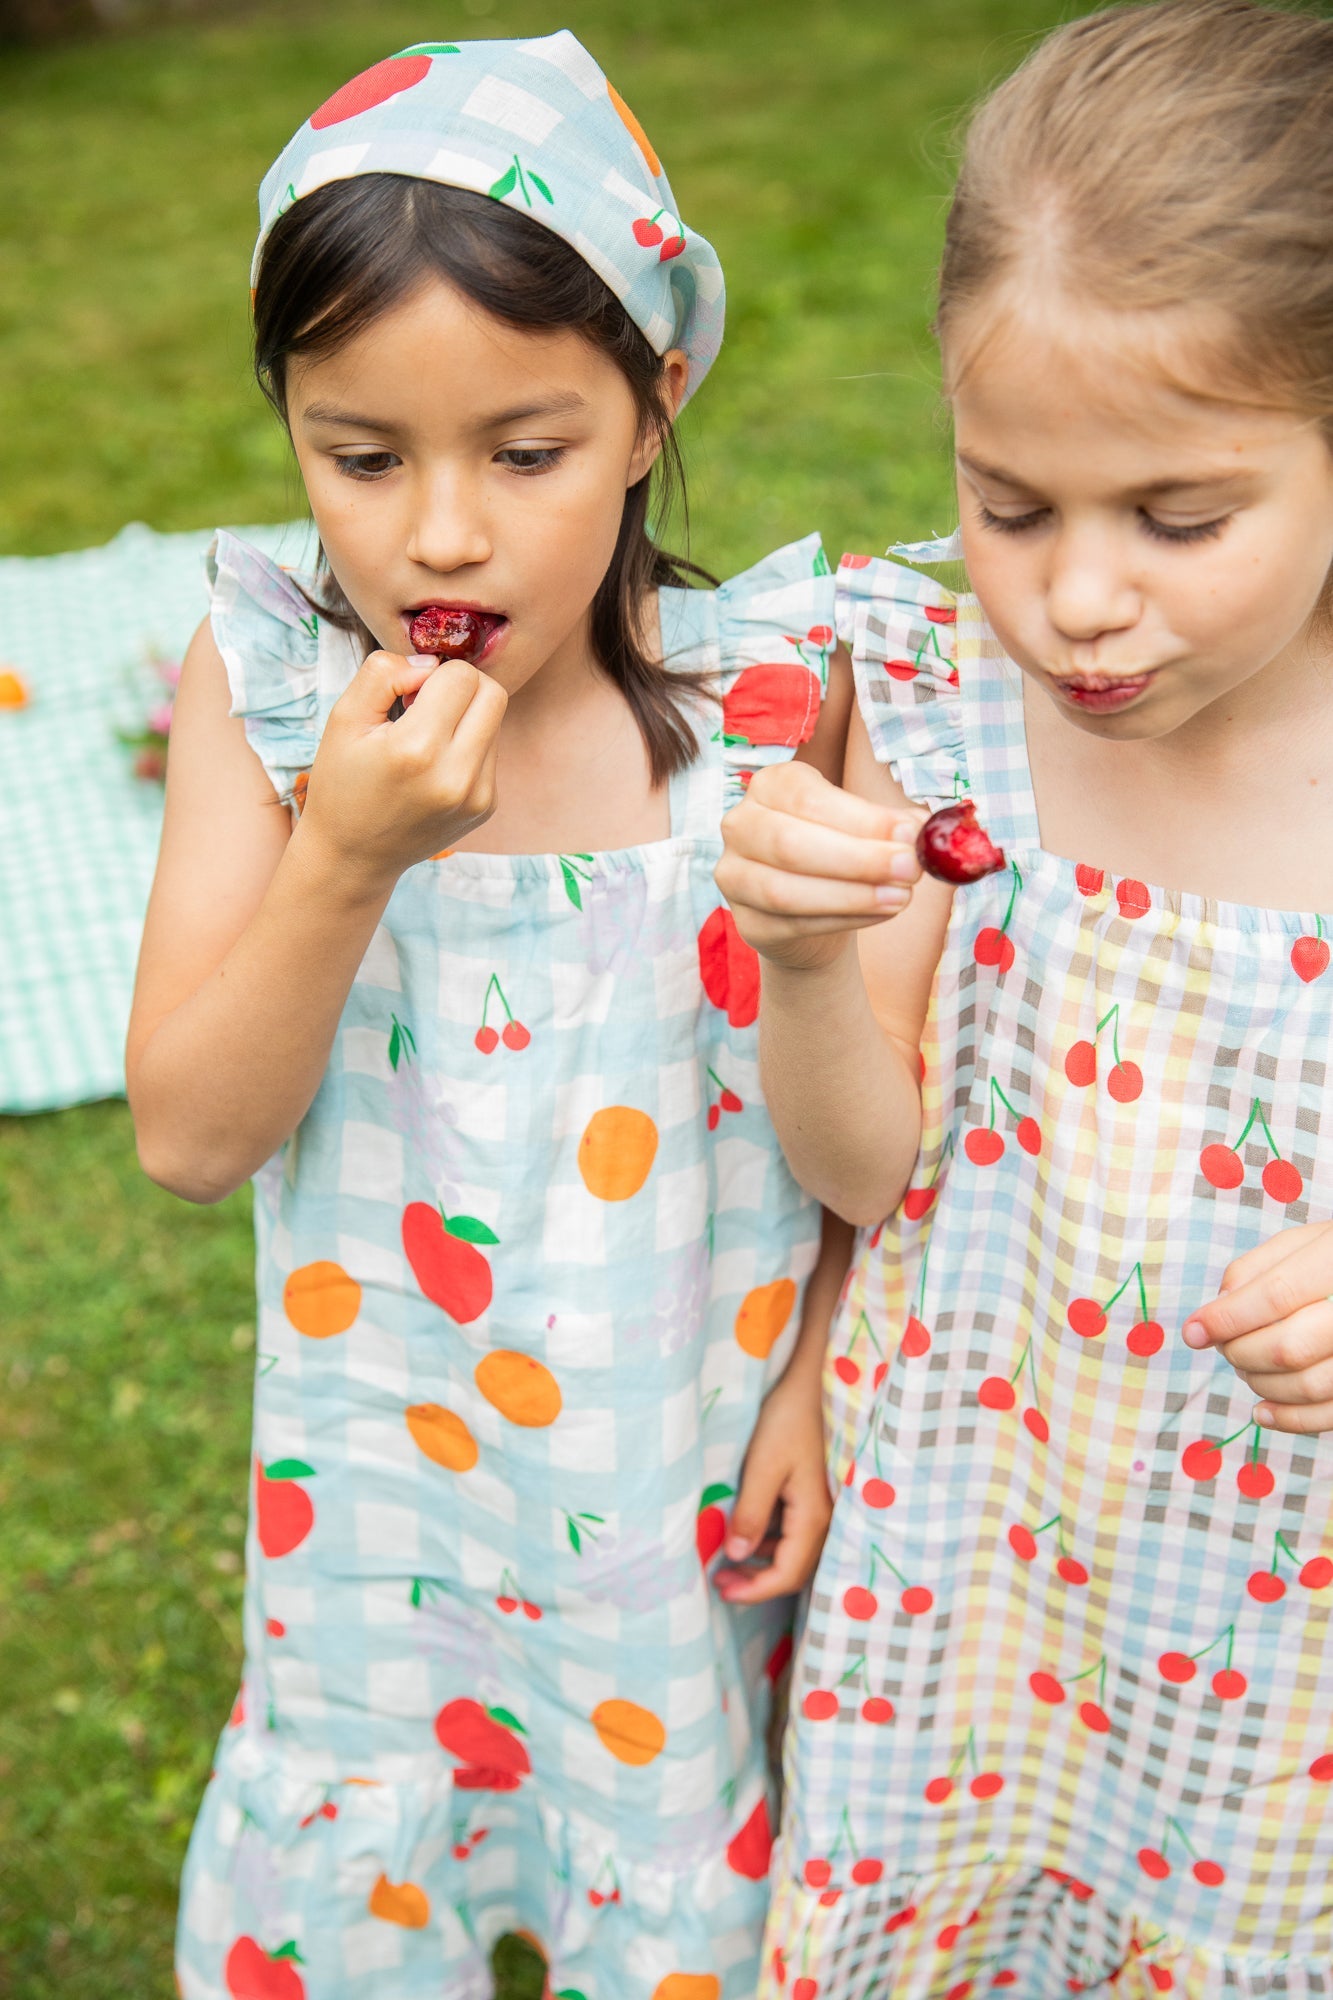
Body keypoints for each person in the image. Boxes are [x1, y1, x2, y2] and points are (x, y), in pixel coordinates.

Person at [125, 33, 852, 2000]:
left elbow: (867, 1122)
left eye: (520, 452)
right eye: (357, 457)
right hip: (389, 1498)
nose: (435, 535)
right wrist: (340, 858)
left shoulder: (767, 706)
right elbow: (191, 1135)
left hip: (680, 1483)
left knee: (664, 1849)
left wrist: (818, 1378)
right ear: (285, 421)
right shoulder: (268, 697)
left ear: (650, 400)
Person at [716, 3, 1333, 1992]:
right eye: (1011, 504)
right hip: (976, 1551)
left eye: (1176, 518)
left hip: (1271, 1620)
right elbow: (868, 1159)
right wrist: (805, 957)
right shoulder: (924, 693)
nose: (1073, 596)